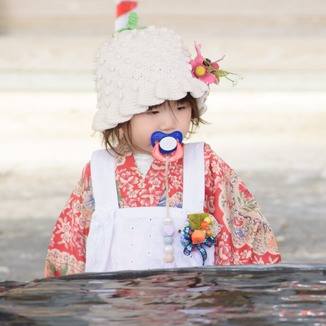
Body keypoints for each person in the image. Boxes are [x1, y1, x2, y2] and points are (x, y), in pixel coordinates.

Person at [45, 18, 280, 275]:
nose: (169, 122)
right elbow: (71, 246)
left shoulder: (205, 164)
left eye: (181, 107)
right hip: (117, 308)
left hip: (191, 305)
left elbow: (240, 232)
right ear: (121, 121)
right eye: (153, 111)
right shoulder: (99, 171)